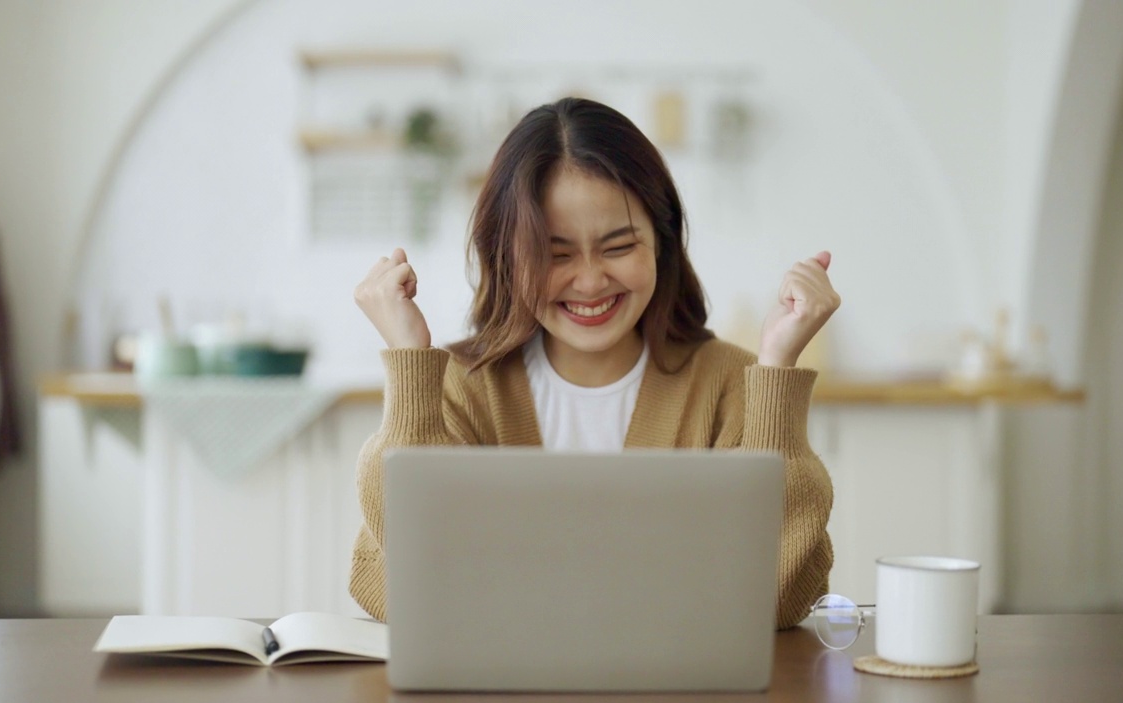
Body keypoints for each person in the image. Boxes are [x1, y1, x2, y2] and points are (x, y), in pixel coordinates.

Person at [349, 97, 839, 630]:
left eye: (618, 246)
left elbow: (779, 598)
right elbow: (403, 590)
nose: (589, 282)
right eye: (555, 254)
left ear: (662, 240)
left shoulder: (732, 384)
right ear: (506, 258)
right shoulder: (460, 387)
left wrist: (778, 368)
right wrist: (409, 363)